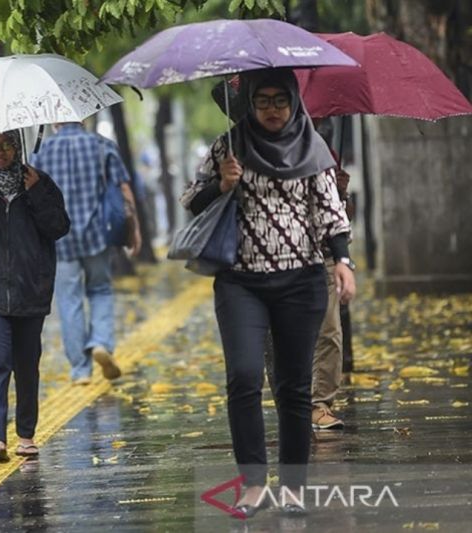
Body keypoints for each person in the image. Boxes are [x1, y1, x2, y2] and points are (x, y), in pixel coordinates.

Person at [181, 69, 356, 516]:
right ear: (251, 104)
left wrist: (343, 262)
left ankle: (293, 487)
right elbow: (190, 200)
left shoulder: (312, 145)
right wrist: (221, 183)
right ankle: (254, 484)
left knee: (293, 388)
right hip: (241, 282)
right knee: (242, 377)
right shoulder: (230, 145)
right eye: (264, 101)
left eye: (281, 100)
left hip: (300, 281)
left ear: (293, 102)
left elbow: (329, 212)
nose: (273, 109)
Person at [0, 130, 70, 462]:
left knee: (26, 365)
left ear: (18, 147)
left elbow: (59, 228)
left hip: (30, 289)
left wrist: (36, 193)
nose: (1, 152)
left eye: (8, 145)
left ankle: (26, 435)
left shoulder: (40, 183)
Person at [31, 122, 141, 385]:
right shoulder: (102, 145)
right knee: (100, 289)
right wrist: (134, 229)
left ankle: (80, 370)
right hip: (97, 235)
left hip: (60, 239)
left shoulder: (40, 153)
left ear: (56, 120)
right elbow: (124, 189)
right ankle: (101, 342)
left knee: (69, 301)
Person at [311, 118, 354, 430]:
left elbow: (339, 216)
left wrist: (341, 192)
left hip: (323, 255)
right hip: (278, 262)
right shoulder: (249, 147)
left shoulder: (325, 151)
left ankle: (320, 403)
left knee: (330, 332)